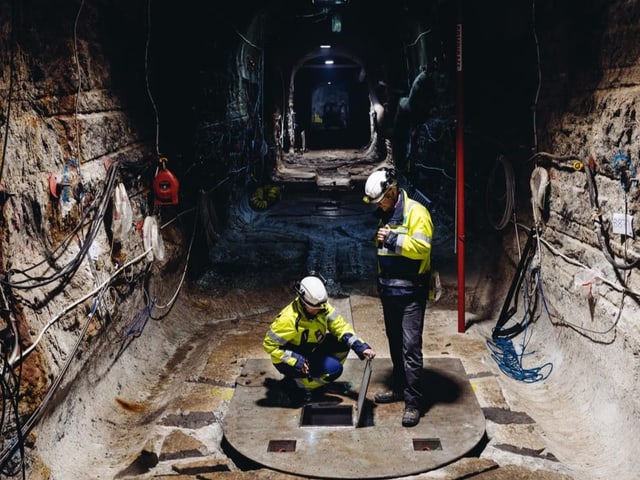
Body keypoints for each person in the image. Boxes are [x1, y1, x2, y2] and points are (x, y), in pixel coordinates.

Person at [362, 167, 433, 427]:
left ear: (392, 192)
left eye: (381, 201)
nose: (379, 207)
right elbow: (382, 253)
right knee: (394, 343)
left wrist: (392, 239)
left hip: (411, 292)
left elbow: (423, 249)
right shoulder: (386, 213)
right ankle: (400, 387)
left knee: (410, 347)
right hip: (390, 291)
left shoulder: (417, 213)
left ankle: (413, 402)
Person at [263, 273, 376, 405]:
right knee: (335, 369)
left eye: (321, 306)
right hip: (289, 359)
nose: (320, 310)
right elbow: (269, 345)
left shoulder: (321, 306)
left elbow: (340, 327)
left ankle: (316, 380)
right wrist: (297, 360)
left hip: (310, 348)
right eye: (315, 308)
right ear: (303, 302)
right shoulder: (288, 320)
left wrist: (361, 347)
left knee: (343, 343)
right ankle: (299, 386)